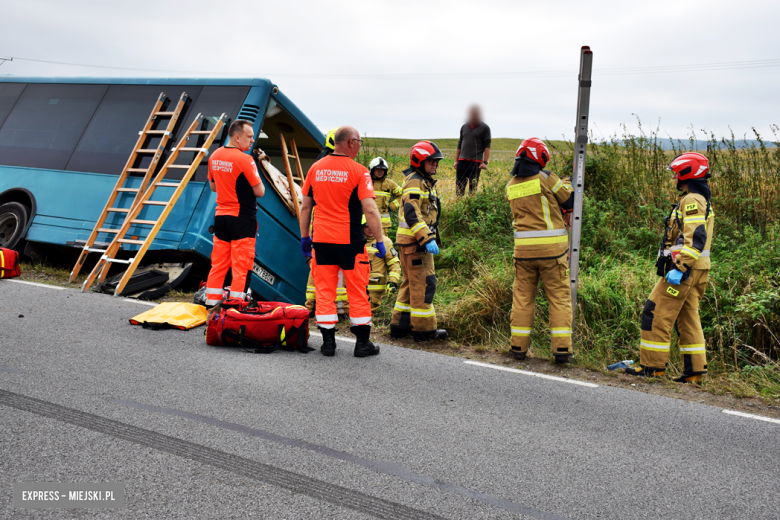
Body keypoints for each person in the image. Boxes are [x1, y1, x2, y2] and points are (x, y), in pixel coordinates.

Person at [626, 152, 714, 384]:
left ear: (687, 173)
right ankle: (694, 372)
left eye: (676, 173)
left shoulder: (692, 200)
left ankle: (652, 367)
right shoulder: (698, 198)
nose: (674, 177)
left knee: (654, 312)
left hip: (685, 271)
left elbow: (695, 236)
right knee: (688, 318)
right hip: (697, 269)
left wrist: (681, 267)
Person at [299, 126, 386, 357]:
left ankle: (328, 344)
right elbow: (370, 209)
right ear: (350, 142)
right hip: (350, 242)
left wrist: (305, 238)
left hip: (322, 242)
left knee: (325, 292)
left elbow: (306, 206)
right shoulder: (358, 171)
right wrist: (379, 240)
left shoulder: (315, 169)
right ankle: (362, 344)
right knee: (357, 291)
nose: (359, 146)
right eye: (359, 142)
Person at [507, 138, 575, 363]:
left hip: (523, 254)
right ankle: (562, 350)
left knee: (523, 299)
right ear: (540, 157)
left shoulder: (511, 186)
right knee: (558, 298)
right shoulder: (547, 178)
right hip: (552, 253)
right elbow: (568, 199)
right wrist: (567, 181)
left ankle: (518, 347)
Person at [390, 141, 448, 341]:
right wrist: (426, 238)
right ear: (419, 161)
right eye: (431, 161)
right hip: (416, 244)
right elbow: (411, 211)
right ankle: (424, 330)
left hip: (409, 242)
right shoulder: (416, 181)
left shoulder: (419, 180)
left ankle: (400, 325)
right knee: (424, 284)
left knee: (410, 283)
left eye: (436, 161)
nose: (435, 165)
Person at [204, 120, 265, 307]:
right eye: (249, 136)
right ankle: (235, 306)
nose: (252, 140)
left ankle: (210, 306)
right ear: (237, 138)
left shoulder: (215, 156)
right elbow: (260, 191)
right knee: (241, 266)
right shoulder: (246, 159)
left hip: (221, 217)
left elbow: (213, 186)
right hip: (242, 219)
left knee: (218, 265)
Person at [362, 214, 401, 312]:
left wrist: (392, 282)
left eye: (373, 225)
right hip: (356, 283)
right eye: (367, 226)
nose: (370, 228)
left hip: (374, 284)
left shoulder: (385, 242)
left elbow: (394, 263)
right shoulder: (355, 241)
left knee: (368, 312)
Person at [454, 105, 491, 196]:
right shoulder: (464, 127)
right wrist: (456, 161)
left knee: (472, 189)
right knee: (459, 189)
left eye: (476, 113)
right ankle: (459, 207)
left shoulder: (485, 128)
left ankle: (471, 208)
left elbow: (487, 145)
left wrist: (485, 162)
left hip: (475, 163)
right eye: (472, 113)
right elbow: (459, 144)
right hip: (462, 162)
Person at [368, 157, 403, 232]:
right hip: (366, 223)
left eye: (382, 169)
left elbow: (403, 195)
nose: (380, 171)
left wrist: (392, 206)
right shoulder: (365, 182)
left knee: (383, 243)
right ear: (372, 170)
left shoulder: (390, 184)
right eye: (377, 169)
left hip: (383, 225)